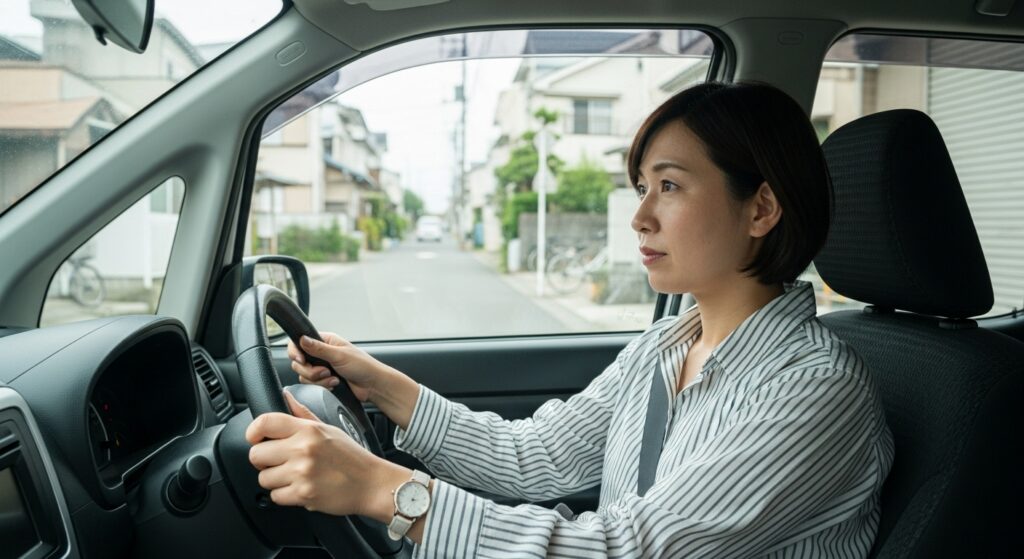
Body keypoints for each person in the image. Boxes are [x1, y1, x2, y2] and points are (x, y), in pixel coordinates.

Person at [246, 82, 894, 558]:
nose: (640, 215)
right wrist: (381, 385)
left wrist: (387, 490)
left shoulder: (815, 390)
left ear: (761, 209)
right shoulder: (665, 347)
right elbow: (537, 456)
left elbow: (627, 549)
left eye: (669, 185)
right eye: (642, 185)